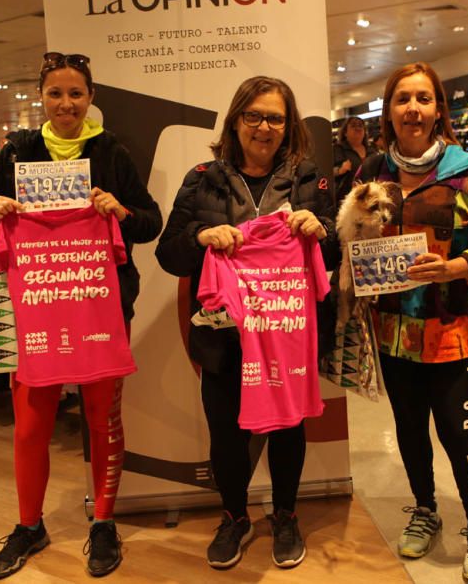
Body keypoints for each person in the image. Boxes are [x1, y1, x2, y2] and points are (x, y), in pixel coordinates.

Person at [0, 52, 162, 579]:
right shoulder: (17, 151)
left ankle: (103, 524)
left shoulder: (110, 152)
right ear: (41, 97)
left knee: (103, 418)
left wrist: (119, 211)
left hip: (101, 304)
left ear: (91, 98)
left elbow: (149, 221)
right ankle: (28, 525)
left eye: (76, 94)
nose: (66, 104)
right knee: (30, 424)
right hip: (37, 305)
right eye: (56, 93)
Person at [155, 76, 334, 570]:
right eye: (253, 115)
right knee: (226, 434)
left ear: (288, 124)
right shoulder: (202, 178)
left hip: (286, 333)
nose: (264, 127)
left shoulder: (309, 178)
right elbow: (169, 253)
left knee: (288, 430)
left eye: (275, 117)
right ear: (235, 120)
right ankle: (233, 516)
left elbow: (335, 247)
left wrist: (320, 231)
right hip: (223, 337)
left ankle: (285, 514)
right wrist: (201, 236)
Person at [351, 62, 468, 583]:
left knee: (458, 433)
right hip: (393, 333)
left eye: (423, 99)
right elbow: (349, 234)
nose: (413, 109)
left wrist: (456, 266)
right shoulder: (372, 171)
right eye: (403, 99)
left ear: (438, 109)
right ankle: (425, 508)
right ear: (389, 110)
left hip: (450, 334)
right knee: (409, 431)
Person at [333, 116, 372, 203]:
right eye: (353, 126)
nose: (357, 128)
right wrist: (339, 170)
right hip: (347, 199)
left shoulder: (371, 150)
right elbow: (327, 172)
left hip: (369, 198)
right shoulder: (338, 149)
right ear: (345, 133)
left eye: (360, 126)